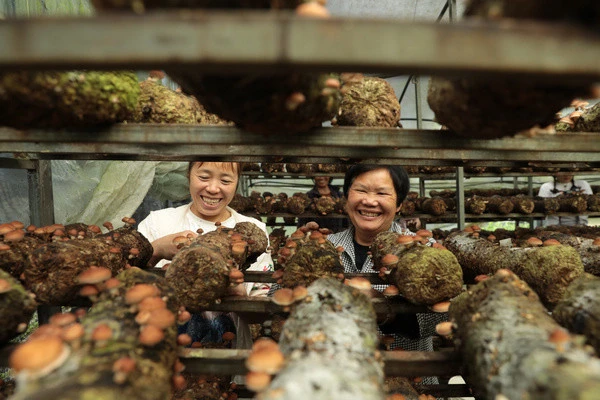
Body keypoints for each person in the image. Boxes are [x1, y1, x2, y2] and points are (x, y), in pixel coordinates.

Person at [327, 164, 446, 385]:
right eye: (361, 190)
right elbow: (282, 300)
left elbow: (443, 318)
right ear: (346, 198)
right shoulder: (325, 248)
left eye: (382, 193)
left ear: (399, 204)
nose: (369, 201)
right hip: (342, 382)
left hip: (410, 381)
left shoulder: (424, 249)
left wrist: (386, 311)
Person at [137, 161, 273, 351]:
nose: (212, 188)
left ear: (237, 183)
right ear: (189, 176)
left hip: (228, 361)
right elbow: (128, 292)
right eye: (203, 177)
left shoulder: (253, 232)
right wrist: (156, 249)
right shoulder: (158, 223)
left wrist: (241, 297)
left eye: (225, 180)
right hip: (162, 355)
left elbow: (262, 313)